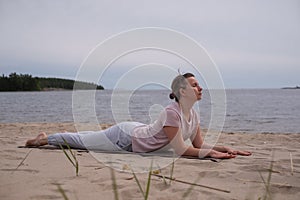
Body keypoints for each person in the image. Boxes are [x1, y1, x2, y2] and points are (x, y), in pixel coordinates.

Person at [25, 73, 251, 159]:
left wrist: (225, 148)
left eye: (199, 85)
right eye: (194, 85)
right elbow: (183, 150)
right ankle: (42, 140)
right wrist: (210, 154)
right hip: (125, 137)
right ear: (182, 92)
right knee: (82, 142)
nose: (200, 88)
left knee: (89, 136)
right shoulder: (172, 112)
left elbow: (199, 144)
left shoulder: (193, 115)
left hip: (136, 131)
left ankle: (48, 136)